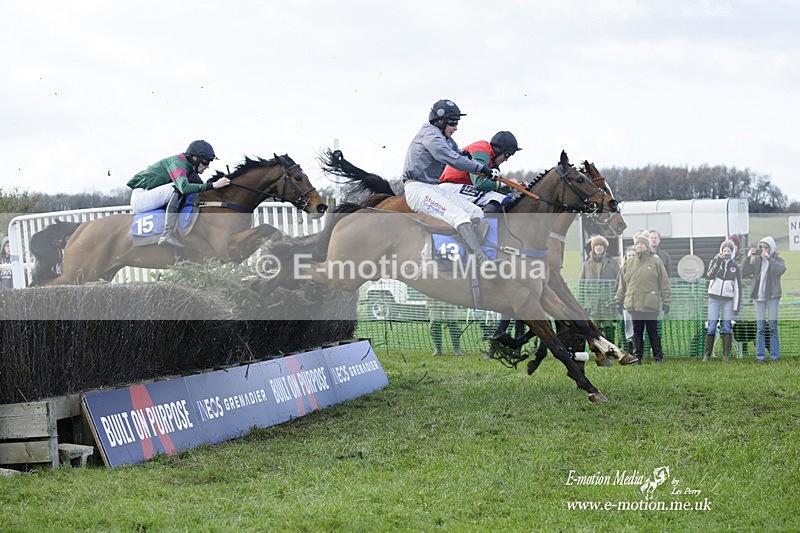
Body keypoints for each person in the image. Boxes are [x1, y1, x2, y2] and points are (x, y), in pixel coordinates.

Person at [402, 99, 497, 266]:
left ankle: (464, 251)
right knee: (459, 216)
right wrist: (481, 169)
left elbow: (458, 154)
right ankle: (480, 259)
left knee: (476, 213)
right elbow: (452, 159)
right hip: (417, 189)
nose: (456, 127)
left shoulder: (443, 137)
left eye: (457, 123)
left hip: (432, 188)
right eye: (453, 123)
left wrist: (469, 158)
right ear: (439, 121)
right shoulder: (431, 135)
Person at [126, 140, 231, 247]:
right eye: (205, 162)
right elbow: (184, 188)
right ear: (195, 158)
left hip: (151, 196)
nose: (207, 166)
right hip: (141, 198)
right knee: (177, 187)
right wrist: (214, 185)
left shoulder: (190, 170)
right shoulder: (177, 163)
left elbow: (202, 188)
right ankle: (167, 233)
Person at [615, 234, 671, 363]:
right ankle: (637, 357)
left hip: (650, 303)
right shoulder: (629, 263)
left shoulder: (656, 261)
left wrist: (666, 300)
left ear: (647, 246)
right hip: (634, 303)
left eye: (642, 244)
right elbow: (622, 284)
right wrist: (618, 300)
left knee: (653, 331)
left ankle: (658, 357)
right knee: (637, 331)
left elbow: (664, 282)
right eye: (637, 244)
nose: (640, 246)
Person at [438, 131, 522, 213]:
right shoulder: (481, 152)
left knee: (503, 198)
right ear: (498, 149)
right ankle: (488, 227)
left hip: (459, 187)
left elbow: (492, 187)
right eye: (507, 155)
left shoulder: (491, 160)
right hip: (450, 188)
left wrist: (513, 187)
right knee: (499, 199)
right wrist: (509, 183)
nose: (506, 159)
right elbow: (480, 184)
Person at [742, 236, 786, 363]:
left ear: (771, 248)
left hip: (773, 297)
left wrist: (769, 259)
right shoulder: (757, 261)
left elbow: (779, 271)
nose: (763, 250)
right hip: (758, 298)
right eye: (762, 247)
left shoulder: (778, 260)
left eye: (766, 247)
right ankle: (760, 357)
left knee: (773, 327)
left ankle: (774, 356)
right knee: (760, 328)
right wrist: (748, 257)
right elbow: (744, 272)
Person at [703, 239, 742, 362]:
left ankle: (726, 355)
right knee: (712, 325)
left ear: (732, 252)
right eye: (724, 250)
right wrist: (719, 260)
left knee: (726, 326)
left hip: (728, 300)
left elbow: (737, 287)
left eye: (729, 251)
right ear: (721, 251)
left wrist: (736, 306)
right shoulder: (715, 261)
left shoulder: (735, 267)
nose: (726, 253)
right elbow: (709, 275)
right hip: (714, 298)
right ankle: (707, 354)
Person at [579, 235, 620, 348]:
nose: (598, 248)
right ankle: (599, 349)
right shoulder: (586, 263)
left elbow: (619, 280)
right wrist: (582, 303)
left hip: (608, 301)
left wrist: (616, 298)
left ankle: (612, 348)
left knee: (609, 326)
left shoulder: (612, 262)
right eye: (596, 245)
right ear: (593, 248)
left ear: (605, 248)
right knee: (595, 327)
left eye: (601, 245)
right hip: (592, 302)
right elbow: (581, 283)